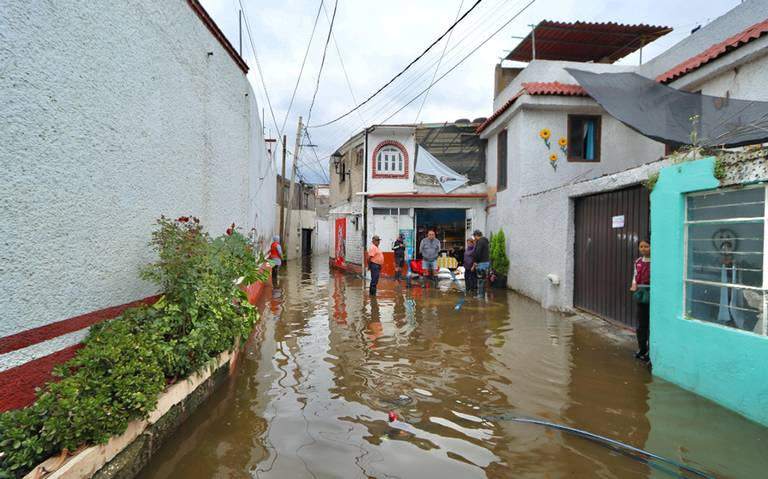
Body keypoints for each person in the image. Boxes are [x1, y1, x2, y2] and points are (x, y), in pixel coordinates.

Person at [629, 239, 651, 362]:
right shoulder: (637, 261)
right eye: (641, 246)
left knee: (650, 323)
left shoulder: (655, 261)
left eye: (646, 246)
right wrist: (633, 284)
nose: (643, 249)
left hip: (651, 294)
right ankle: (642, 348)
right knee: (641, 323)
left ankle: (650, 352)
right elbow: (635, 276)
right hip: (641, 294)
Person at [471, 230, 490, 297]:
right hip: (485, 263)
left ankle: (480, 295)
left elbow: (478, 253)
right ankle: (482, 295)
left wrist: (475, 261)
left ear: (476, 235)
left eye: (474, 236)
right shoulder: (485, 241)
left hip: (481, 263)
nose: (474, 238)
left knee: (480, 280)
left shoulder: (480, 242)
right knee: (483, 280)